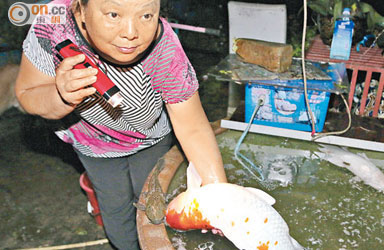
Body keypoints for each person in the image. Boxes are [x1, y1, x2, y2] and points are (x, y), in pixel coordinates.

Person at [15, 0, 227, 249]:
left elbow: (192, 127)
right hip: (93, 142)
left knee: (152, 202)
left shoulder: (165, 50)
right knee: (114, 206)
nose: (130, 32)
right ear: (80, 9)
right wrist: (60, 95)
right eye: (113, 14)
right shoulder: (53, 24)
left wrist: (220, 197)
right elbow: (27, 93)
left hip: (151, 138)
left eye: (146, 15)